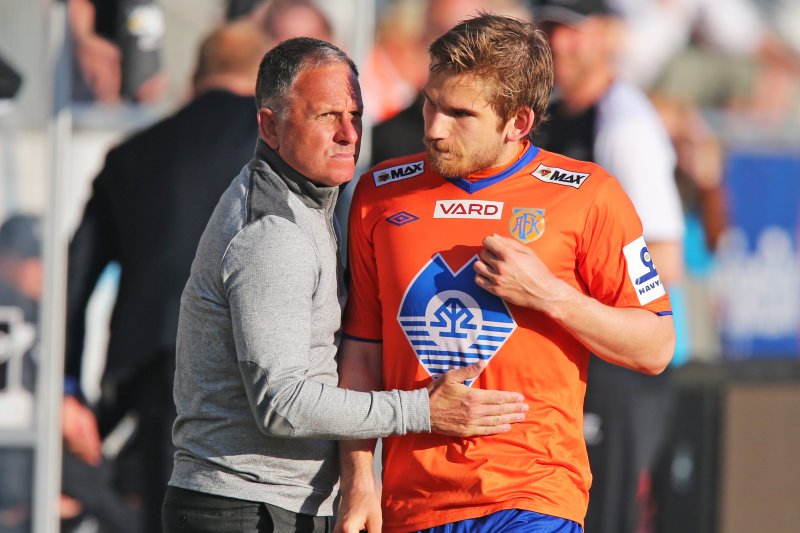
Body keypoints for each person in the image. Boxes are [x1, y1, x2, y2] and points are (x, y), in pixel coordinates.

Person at [164, 36, 528, 533]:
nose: (347, 134)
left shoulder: (314, 203)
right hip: (243, 508)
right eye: (324, 116)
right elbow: (284, 406)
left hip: (269, 505)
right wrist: (421, 409)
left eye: (354, 115)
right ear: (269, 126)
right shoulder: (275, 233)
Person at [336, 13, 675, 533]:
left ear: (517, 121)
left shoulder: (589, 196)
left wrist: (549, 295)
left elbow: (654, 347)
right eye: (430, 102)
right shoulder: (379, 193)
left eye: (459, 113)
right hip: (412, 504)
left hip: (534, 496)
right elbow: (361, 352)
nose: (433, 127)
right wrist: (361, 481)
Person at [63, 21, 272, 532]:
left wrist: (68, 386)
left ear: (196, 77)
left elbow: (75, 279)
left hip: (158, 373)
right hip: (263, 372)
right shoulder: (282, 150)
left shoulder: (132, 154)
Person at [528, 1, 686, 530]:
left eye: (572, 30)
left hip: (618, 369)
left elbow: (664, 258)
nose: (559, 43)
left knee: (603, 517)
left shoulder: (623, 124)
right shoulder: (555, 111)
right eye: (549, 29)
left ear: (606, 35)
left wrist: (567, 301)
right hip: (575, 356)